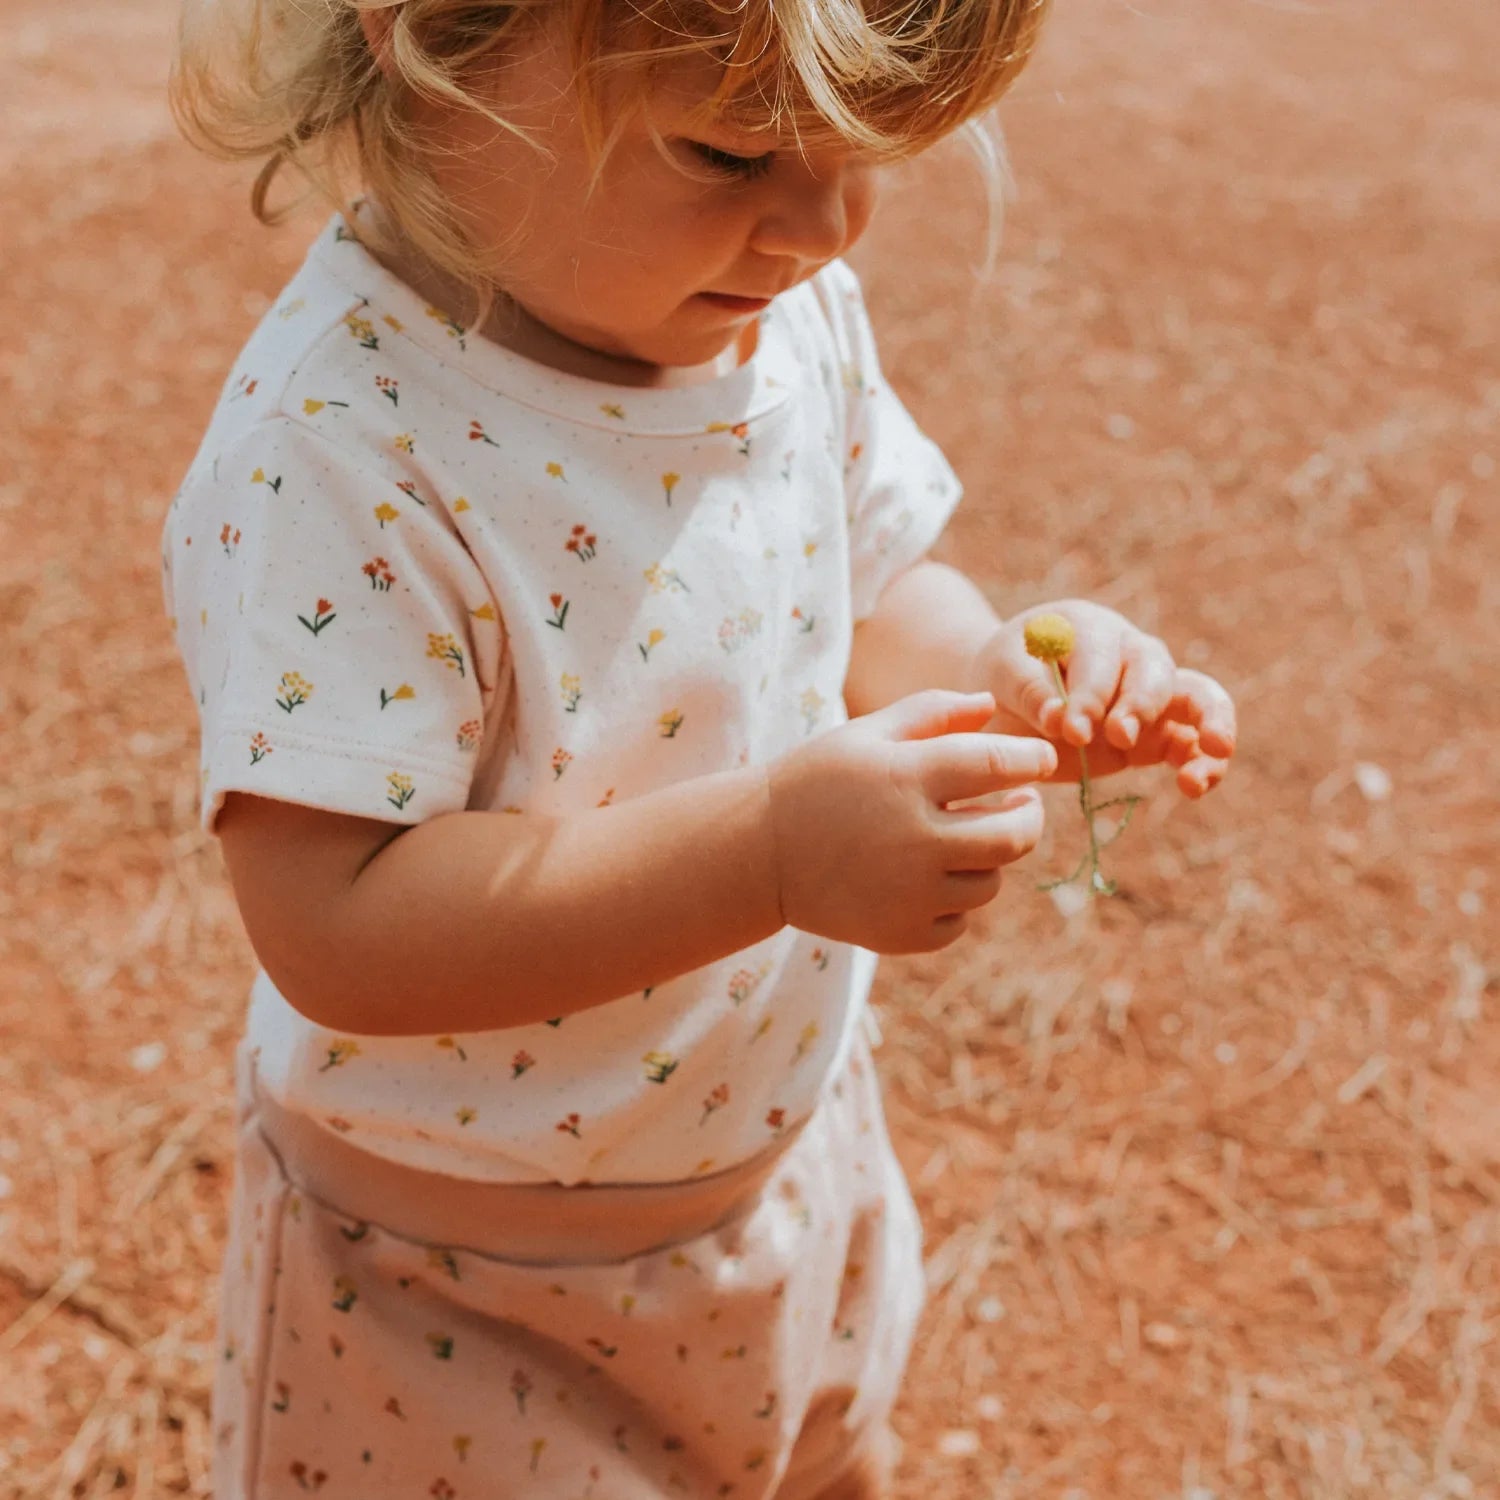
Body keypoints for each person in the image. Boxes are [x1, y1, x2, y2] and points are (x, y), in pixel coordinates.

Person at [162, 0, 1236, 1495]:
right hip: (458, 1273)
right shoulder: (337, 445)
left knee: (821, 1460)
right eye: (729, 152)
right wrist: (772, 854)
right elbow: (336, 923)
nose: (821, 225)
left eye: (866, 154)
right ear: (427, 37)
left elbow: (876, 588)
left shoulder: (779, 319)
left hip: (778, 1159)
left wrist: (1009, 672)